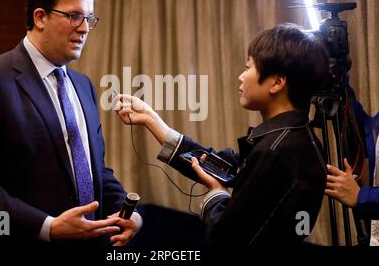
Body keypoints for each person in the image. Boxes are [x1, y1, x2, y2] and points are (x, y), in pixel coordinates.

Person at [0, 0, 141, 248]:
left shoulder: (83, 85)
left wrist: (130, 214)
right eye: (74, 16)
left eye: (89, 18)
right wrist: (48, 227)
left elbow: (94, 170)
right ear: (40, 17)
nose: (85, 28)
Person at [115, 23, 329, 247]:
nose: (241, 77)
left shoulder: (276, 151)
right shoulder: (293, 139)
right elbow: (221, 166)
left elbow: (227, 239)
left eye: (248, 68)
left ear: (277, 82)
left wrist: (217, 193)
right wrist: (152, 119)